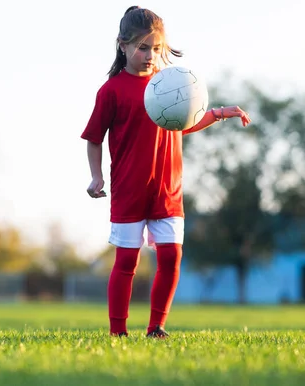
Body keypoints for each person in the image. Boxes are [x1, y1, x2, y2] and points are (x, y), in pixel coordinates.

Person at [81, 6, 251, 338]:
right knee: (126, 262)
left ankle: (156, 326)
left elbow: (182, 125)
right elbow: (93, 138)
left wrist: (217, 113)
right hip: (130, 189)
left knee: (172, 256)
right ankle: (118, 332)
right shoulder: (111, 91)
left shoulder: (168, 85)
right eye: (143, 47)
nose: (150, 55)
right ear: (123, 45)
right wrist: (96, 176)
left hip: (167, 189)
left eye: (156, 48)